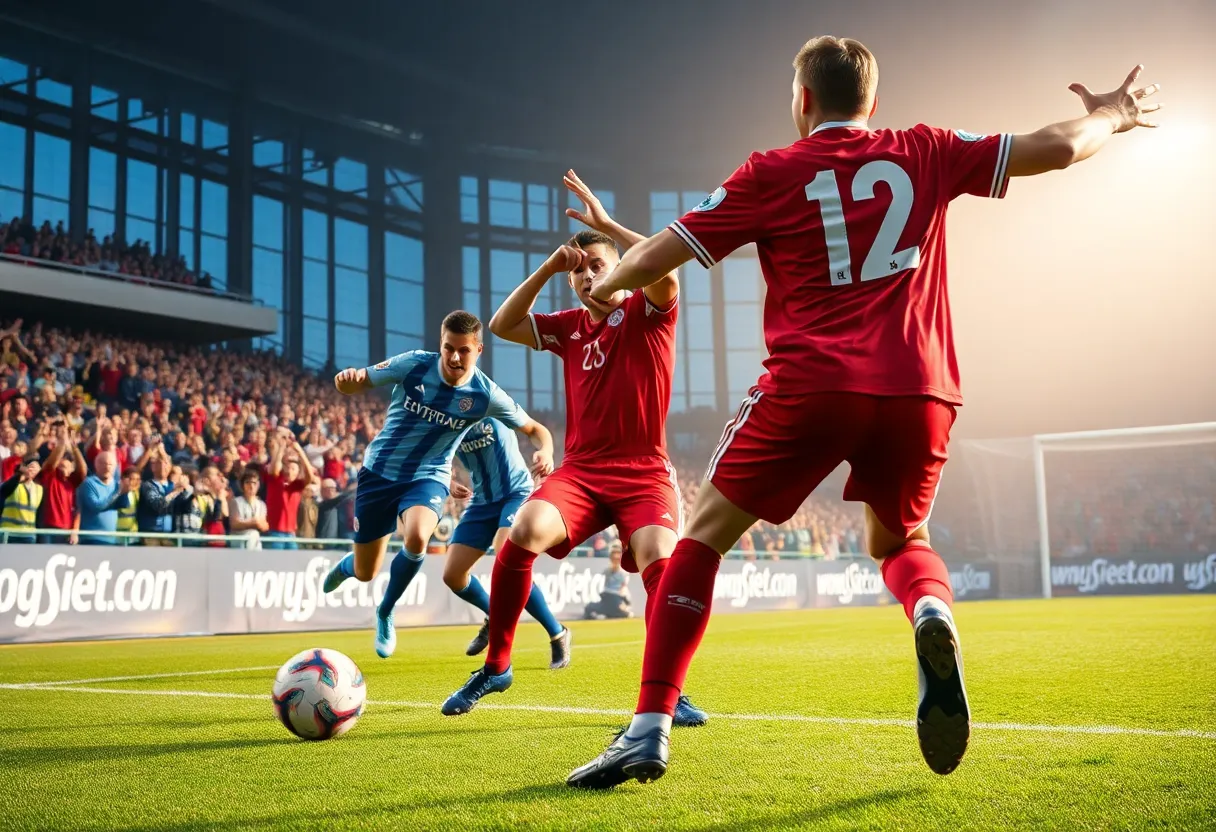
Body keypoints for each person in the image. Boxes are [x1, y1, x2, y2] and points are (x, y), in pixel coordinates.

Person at [566, 39, 1162, 788]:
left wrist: (605, 289)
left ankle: (649, 727)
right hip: (920, 387)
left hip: (811, 385)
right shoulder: (927, 149)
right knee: (900, 539)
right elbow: (1059, 147)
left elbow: (660, 258)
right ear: (873, 101)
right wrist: (1112, 115)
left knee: (703, 537)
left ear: (802, 99)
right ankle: (930, 612)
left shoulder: (770, 172)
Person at [440, 172, 706, 728]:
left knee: (660, 557)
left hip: (644, 471)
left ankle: (669, 691)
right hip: (582, 473)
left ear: (623, 271)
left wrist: (608, 225)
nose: (587, 276)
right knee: (523, 531)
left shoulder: (650, 311)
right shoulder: (569, 328)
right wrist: (549, 268)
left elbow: (666, 267)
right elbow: (502, 324)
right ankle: (497, 666)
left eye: (597, 265)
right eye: (579, 271)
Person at [321, 310, 552, 660]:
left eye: (464, 350)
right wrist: (346, 381)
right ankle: (348, 567)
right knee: (366, 571)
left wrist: (545, 450)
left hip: (428, 475)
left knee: (417, 536)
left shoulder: (486, 394)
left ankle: (385, 611)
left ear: (478, 350)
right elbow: (358, 381)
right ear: (440, 344)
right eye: (448, 348)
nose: (455, 357)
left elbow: (536, 430)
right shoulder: (414, 364)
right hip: (379, 472)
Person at [447, 417, 570, 668]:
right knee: (453, 575)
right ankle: (494, 615)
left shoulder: (493, 402)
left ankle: (557, 633)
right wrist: (447, 481)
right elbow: (433, 456)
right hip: (481, 501)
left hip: (515, 493)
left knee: (507, 557)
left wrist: (546, 451)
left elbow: (537, 429)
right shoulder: (445, 416)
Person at [263, 428, 316, 550]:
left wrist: (300, 451)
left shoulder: (296, 486)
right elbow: (275, 469)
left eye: (293, 469)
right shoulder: (275, 480)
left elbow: (310, 475)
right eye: (287, 467)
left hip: (291, 534)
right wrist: (281, 447)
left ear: (297, 473)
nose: (289, 471)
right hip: (274, 532)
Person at [76, 449, 129, 545]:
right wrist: (118, 493)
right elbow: (96, 506)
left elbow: (124, 505)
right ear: (96, 465)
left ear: (115, 467)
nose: (107, 467)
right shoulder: (89, 483)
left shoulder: (116, 485)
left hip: (110, 539)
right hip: (91, 538)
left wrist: (125, 491)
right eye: (104, 463)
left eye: (110, 464)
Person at [0, 453, 43, 543]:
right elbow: (5, 489)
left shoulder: (39, 489)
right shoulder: (13, 484)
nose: (32, 470)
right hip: (9, 533)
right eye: (30, 466)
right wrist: (21, 475)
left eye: (35, 468)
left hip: (29, 535)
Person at [584, 541, 632, 619]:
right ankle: (609, 613)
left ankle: (616, 612)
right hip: (607, 598)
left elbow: (623, 589)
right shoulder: (606, 571)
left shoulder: (624, 572)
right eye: (614, 554)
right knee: (588, 608)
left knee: (623, 611)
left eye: (618, 554)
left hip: (617, 599)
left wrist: (624, 602)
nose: (616, 557)